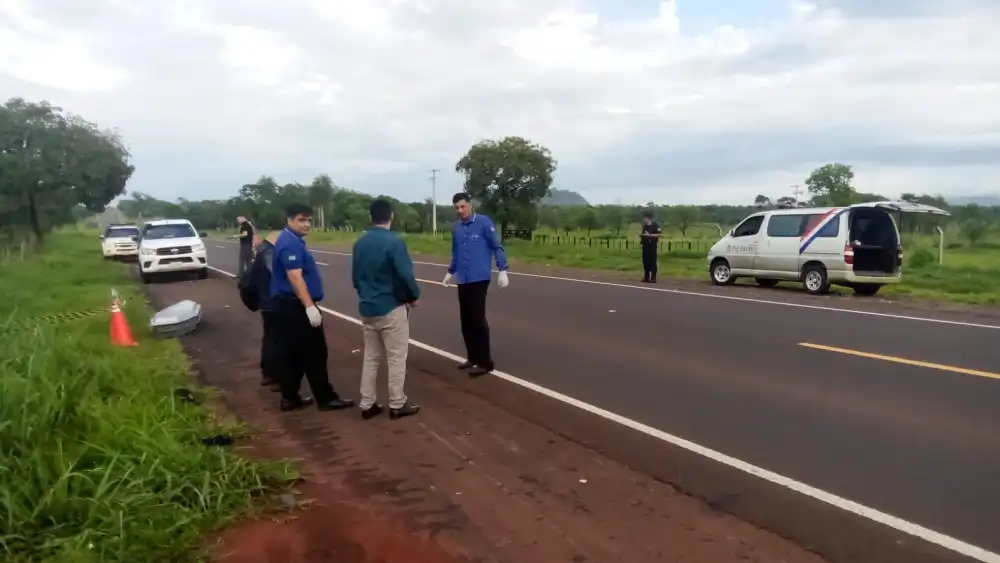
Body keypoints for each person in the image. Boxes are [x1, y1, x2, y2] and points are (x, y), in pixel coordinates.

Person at [270, 203, 354, 412]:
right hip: (295, 306)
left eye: (308, 220)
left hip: (286, 305)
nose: (306, 224)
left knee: (293, 353)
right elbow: (295, 277)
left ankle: (289, 397)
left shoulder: (292, 240)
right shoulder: (290, 243)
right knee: (315, 353)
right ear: (289, 220)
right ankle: (325, 398)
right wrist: (309, 307)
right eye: (301, 220)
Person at [351, 199, 421, 420]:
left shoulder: (359, 243)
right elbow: (405, 275)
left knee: (371, 357)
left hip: (368, 307)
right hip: (391, 306)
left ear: (371, 217)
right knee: (396, 357)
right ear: (390, 216)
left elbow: (355, 278)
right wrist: (413, 296)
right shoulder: (394, 242)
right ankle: (397, 403)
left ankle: (367, 403)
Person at [442, 193, 509, 377]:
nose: (460, 210)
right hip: (462, 279)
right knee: (466, 321)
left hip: (479, 278)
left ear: (470, 205)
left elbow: (497, 246)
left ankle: (485, 362)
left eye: (463, 206)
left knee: (477, 320)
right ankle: (472, 357)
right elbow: (455, 253)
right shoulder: (456, 228)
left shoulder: (483, 222)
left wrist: (502, 269)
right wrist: (450, 272)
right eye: (457, 207)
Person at [254, 230, 281, 390]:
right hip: (274, 301)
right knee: (280, 341)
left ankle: (269, 374)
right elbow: (276, 275)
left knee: (270, 338)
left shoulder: (261, 250)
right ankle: (280, 377)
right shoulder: (270, 252)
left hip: (265, 301)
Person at [639, 212, 662, 283]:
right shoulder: (645, 226)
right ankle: (646, 277)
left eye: (644, 218)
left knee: (652, 262)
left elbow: (660, 234)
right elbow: (644, 234)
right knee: (645, 262)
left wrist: (650, 235)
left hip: (652, 246)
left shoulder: (655, 225)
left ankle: (653, 278)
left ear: (648, 218)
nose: (643, 219)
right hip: (645, 246)